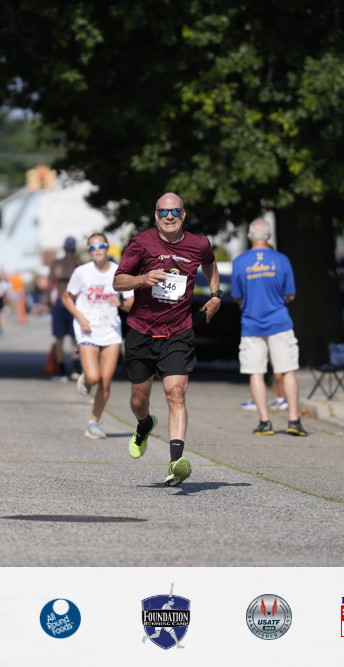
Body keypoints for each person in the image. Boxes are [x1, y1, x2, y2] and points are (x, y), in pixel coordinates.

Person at [113, 192, 220, 487]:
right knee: (139, 400)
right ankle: (144, 424)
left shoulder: (199, 243)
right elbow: (118, 280)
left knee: (176, 394)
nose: (169, 216)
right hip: (142, 331)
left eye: (174, 212)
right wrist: (142, 279)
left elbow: (210, 263)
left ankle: (176, 464)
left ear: (183, 215)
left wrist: (215, 295)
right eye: (163, 212)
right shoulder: (141, 243)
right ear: (156, 216)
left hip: (178, 331)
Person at [231, 218, 306, 437]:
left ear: (249, 237)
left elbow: (237, 296)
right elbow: (290, 294)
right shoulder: (282, 260)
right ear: (269, 236)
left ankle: (265, 421)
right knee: (287, 369)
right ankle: (294, 420)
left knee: (256, 372)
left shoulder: (240, 262)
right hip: (280, 322)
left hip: (251, 324)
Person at [62, 232, 135, 439]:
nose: (97, 251)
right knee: (94, 377)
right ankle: (86, 377)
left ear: (107, 247)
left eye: (100, 246)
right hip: (87, 328)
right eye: (92, 248)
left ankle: (94, 422)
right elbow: (66, 298)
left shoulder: (118, 272)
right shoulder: (82, 272)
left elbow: (131, 303)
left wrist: (120, 303)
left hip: (110, 329)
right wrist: (80, 318)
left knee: (106, 380)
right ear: (89, 251)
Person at [49, 237, 79, 378]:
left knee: (60, 339)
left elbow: (49, 284)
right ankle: (75, 369)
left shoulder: (57, 264)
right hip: (74, 301)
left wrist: (48, 303)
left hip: (61, 301)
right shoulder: (78, 263)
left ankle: (62, 370)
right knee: (75, 338)